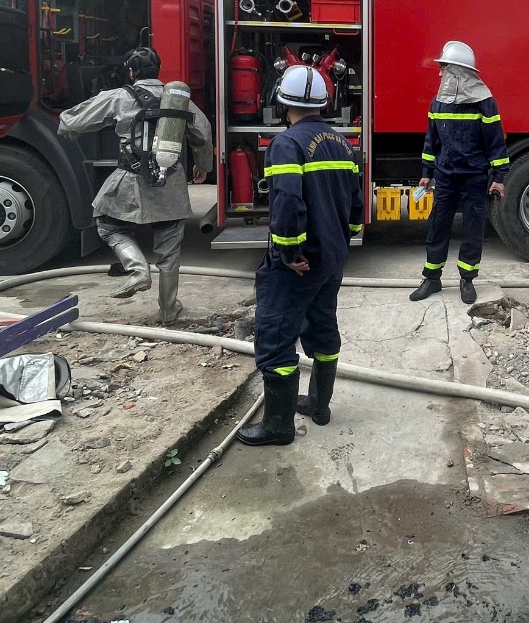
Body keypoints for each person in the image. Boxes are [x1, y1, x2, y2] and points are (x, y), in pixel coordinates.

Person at [238, 64, 365, 446]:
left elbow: (288, 201)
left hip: (298, 264)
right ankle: (319, 404)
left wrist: (289, 251)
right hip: (331, 259)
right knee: (323, 327)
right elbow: (357, 204)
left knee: (276, 336)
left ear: (281, 100)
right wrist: (346, 239)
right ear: (326, 102)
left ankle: (278, 427)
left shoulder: (286, 143)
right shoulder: (343, 143)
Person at [59, 46, 213, 325]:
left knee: (107, 224)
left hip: (130, 179)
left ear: (131, 71)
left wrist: (67, 128)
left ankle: (138, 269)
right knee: (169, 248)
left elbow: (73, 121)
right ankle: (168, 310)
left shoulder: (120, 96)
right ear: (159, 70)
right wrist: (202, 165)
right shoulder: (178, 100)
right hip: (170, 181)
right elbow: (202, 131)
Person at [412, 41, 509, 306]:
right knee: (437, 226)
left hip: (474, 177)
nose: (440, 73)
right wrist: (426, 172)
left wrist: (499, 178)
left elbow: (495, 143)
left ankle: (467, 280)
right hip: (445, 176)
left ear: (458, 72)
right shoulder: (438, 103)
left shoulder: (485, 103)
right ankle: (432, 278)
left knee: (473, 229)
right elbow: (431, 141)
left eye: (443, 68)